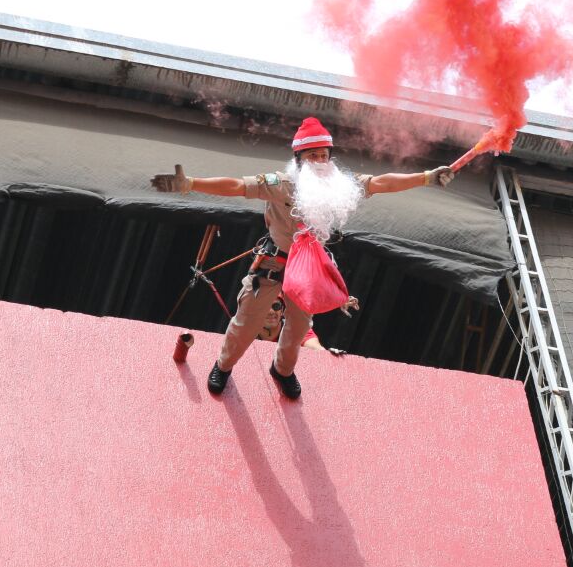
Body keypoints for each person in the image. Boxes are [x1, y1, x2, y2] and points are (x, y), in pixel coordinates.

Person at [151, 117, 453, 399]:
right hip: (275, 262)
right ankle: (224, 365)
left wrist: (426, 177)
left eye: (324, 155)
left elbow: (382, 182)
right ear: (299, 159)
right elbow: (237, 186)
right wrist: (191, 183)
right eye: (313, 156)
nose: (320, 161)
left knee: (298, 327)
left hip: (309, 267)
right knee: (248, 321)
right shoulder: (281, 183)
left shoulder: (341, 185)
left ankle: (282, 371)